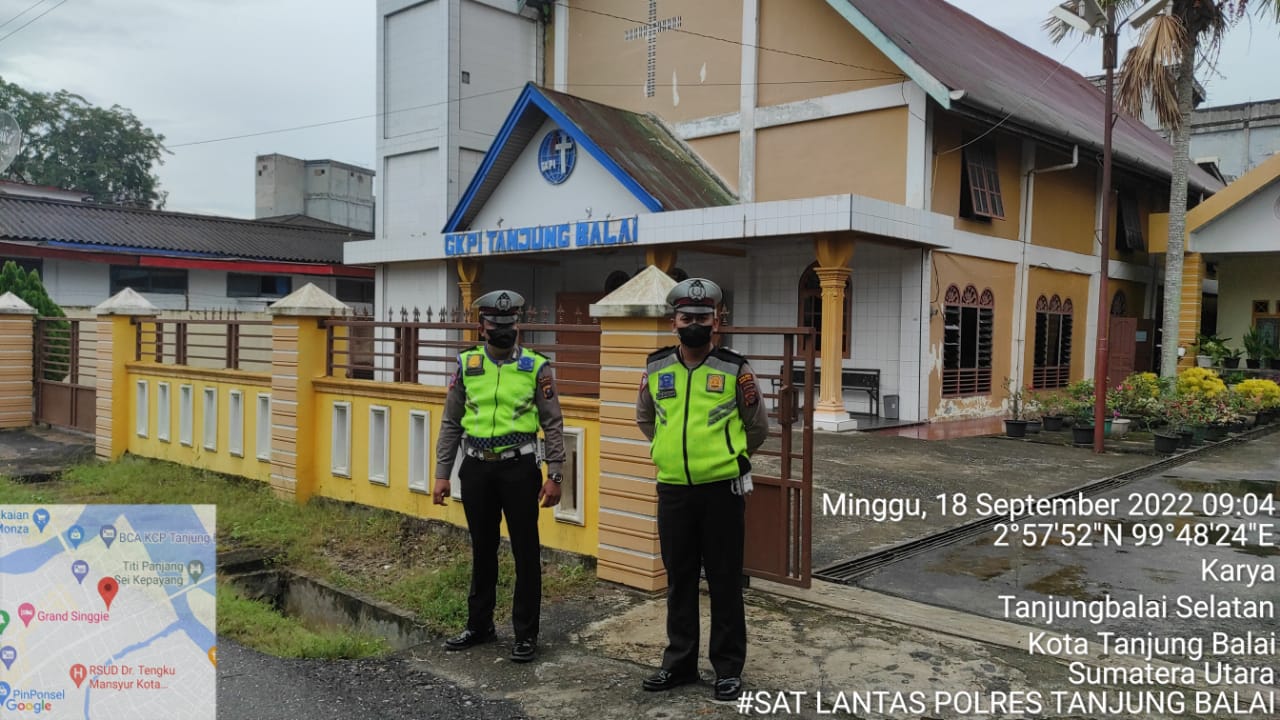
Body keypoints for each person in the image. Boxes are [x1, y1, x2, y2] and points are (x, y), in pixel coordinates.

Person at [635, 277, 770, 702]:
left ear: (717, 323)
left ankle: (727, 669)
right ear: (674, 321)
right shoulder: (656, 367)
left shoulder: (734, 368)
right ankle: (679, 663)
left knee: (725, 581)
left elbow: (757, 428)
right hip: (673, 490)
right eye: (687, 317)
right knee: (679, 579)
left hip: (721, 492)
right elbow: (645, 418)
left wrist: (728, 456)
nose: (695, 323)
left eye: (703, 317)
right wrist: (666, 449)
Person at [433, 289, 565, 664]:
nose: (503, 330)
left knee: (525, 551)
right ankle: (480, 625)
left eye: (509, 324)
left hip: (519, 469)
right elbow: (451, 422)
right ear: (482, 326)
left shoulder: (537, 367)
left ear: (517, 325)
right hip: (475, 468)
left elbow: (553, 424)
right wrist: (442, 474)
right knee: (482, 548)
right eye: (495, 325)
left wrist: (555, 474)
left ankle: (525, 634)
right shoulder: (468, 363)